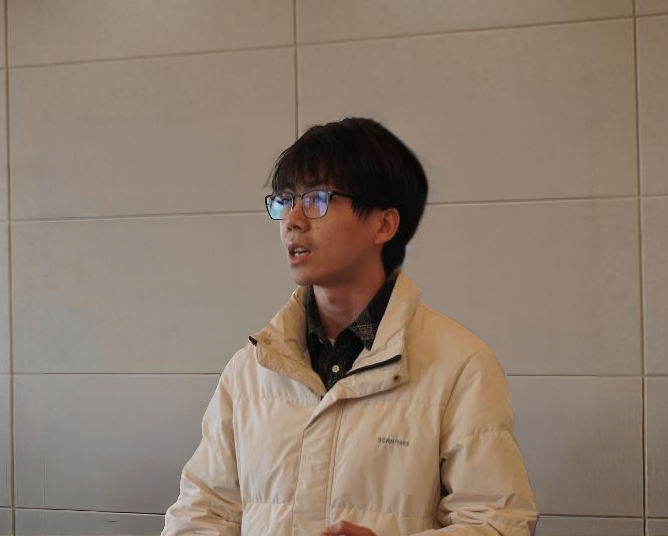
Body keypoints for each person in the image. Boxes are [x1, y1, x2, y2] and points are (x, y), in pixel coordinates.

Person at [162, 118, 538, 535]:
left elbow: (498, 523)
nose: (293, 220)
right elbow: (199, 515)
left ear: (384, 224)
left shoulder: (460, 366)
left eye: (317, 198)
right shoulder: (250, 370)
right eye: (285, 200)